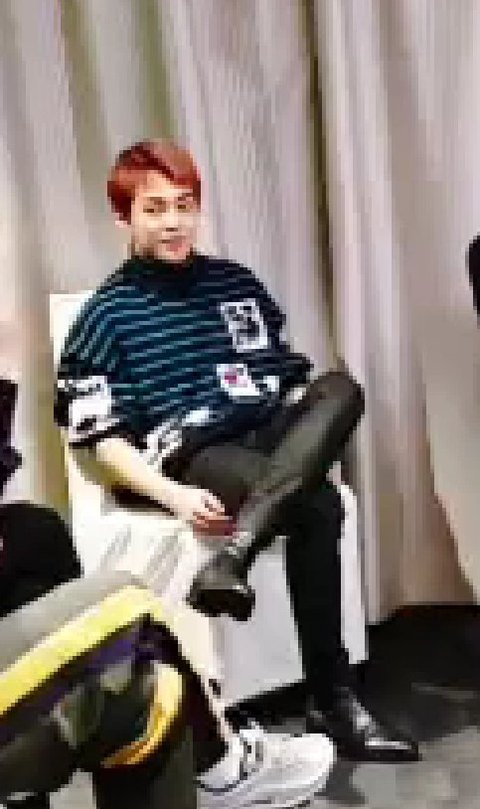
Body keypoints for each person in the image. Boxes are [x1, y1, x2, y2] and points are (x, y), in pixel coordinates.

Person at [54, 139, 419, 767]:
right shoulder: (106, 316)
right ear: (123, 218)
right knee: (320, 505)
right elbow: (97, 439)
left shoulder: (236, 284)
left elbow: (290, 381)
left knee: (341, 388)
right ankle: (333, 701)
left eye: (184, 205)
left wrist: (308, 439)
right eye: (154, 209)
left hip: (269, 431)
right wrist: (172, 495)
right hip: (198, 451)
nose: (174, 222)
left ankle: (234, 556)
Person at [0, 376, 333, 809]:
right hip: (187, 450)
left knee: (36, 535)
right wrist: (173, 493)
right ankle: (222, 768)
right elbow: (97, 426)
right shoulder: (104, 342)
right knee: (128, 612)